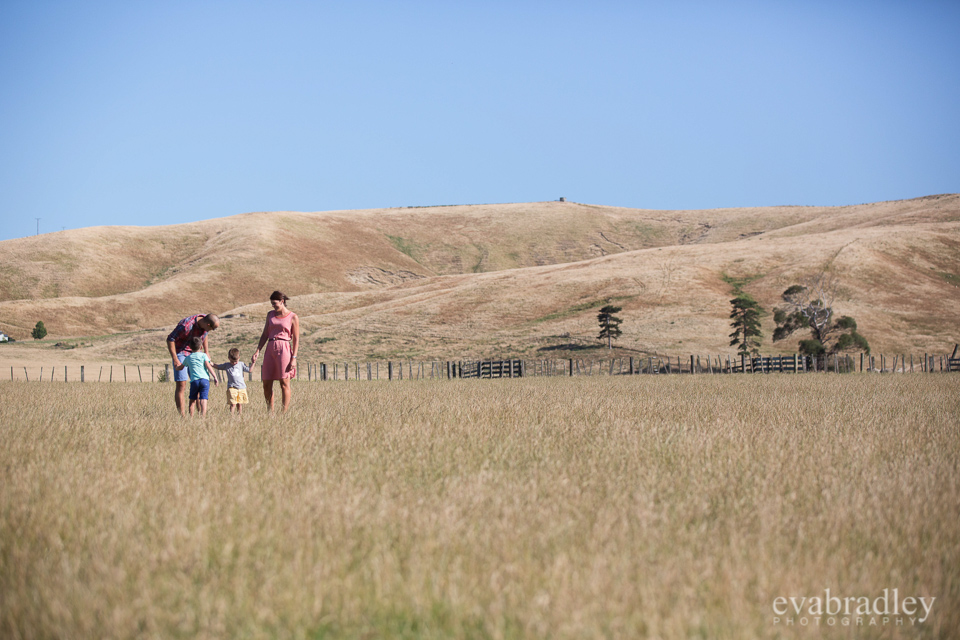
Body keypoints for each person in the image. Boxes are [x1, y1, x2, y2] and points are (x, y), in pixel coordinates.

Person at [250, 291, 299, 413]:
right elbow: (265, 334)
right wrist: (258, 350)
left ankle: (284, 412)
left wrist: (294, 357)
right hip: (270, 347)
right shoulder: (270, 315)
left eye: (274, 303)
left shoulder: (293, 317)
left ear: (282, 302)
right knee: (266, 381)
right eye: (271, 303)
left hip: (284, 348)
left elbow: (296, 339)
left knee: (284, 382)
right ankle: (270, 412)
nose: (273, 306)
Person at [166, 312, 220, 416]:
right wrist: (175, 358)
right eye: (212, 329)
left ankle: (200, 414)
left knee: (198, 381)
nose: (211, 331)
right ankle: (182, 416)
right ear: (208, 325)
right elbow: (170, 339)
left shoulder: (206, 321)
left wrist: (206, 351)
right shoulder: (186, 326)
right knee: (181, 384)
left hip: (195, 352)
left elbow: (204, 335)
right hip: (181, 352)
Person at [174, 337, 219, 416]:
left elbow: (180, 368)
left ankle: (191, 417)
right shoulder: (204, 355)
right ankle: (203, 416)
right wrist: (215, 377)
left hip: (194, 381)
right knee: (203, 399)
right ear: (201, 347)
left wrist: (176, 367)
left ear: (190, 347)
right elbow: (208, 366)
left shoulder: (188, 358)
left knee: (192, 400)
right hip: (205, 380)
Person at [214, 348, 251, 415]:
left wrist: (254, 362)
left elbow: (250, 370)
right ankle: (232, 416)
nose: (234, 363)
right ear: (229, 358)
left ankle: (239, 416)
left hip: (241, 387)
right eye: (232, 362)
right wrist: (209, 362)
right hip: (232, 387)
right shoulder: (227, 365)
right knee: (233, 404)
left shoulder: (241, 364)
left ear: (239, 358)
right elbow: (218, 366)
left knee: (239, 404)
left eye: (235, 361)